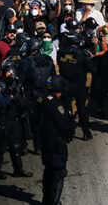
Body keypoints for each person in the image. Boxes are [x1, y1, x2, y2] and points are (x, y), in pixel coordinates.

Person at [39, 76, 73, 205]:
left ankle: (46, 200)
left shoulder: (43, 99)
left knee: (48, 171)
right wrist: (72, 124)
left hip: (45, 141)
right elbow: (63, 123)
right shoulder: (57, 104)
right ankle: (53, 201)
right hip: (56, 143)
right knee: (58, 173)